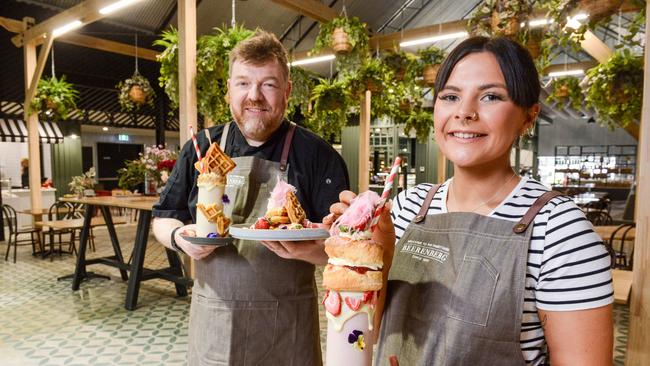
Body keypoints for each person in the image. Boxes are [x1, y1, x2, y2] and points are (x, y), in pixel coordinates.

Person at [326, 37, 613, 365]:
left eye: (491, 96)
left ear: (528, 117)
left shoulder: (559, 230)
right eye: (450, 96)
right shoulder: (409, 206)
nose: (464, 112)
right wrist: (376, 254)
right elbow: (370, 333)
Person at [151, 30, 349, 365]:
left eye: (268, 84)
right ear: (228, 90)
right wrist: (178, 238)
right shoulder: (202, 148)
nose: (254, 96)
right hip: (214, 324)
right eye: (243, 83)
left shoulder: (318, 155)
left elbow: (342, 247)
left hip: (288, 327)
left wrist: (312, 250)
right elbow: (163, 217)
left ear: (286, 91)